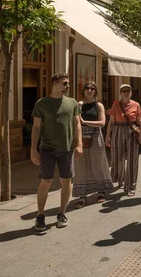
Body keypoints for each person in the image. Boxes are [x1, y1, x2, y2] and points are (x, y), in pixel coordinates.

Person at [31, 73, 82, 231]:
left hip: (66, 149)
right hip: (47, 149)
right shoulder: (42, 103)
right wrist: (33, 149)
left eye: (68, 83)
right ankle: (40, 215)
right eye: (65, 83)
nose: (68, 86)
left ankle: (62, 213)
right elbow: (36, 127)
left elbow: (77, 124)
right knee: (45, 181)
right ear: (54, 84)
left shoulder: (72, 103)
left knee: (66, 181)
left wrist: (79, 143)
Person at [73, 82, 113, 209]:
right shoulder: (79, 104)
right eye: (87, 88)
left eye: (92, 89)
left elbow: (102, 123)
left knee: (97, 164)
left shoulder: (99, 105)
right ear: (83, 91)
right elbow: (76, 122)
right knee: (80, 165)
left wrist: (85, 122)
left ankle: (101, 191)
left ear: (95, 91)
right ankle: (82, 195)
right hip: (81, 136)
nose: (89, 90)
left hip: (96, 136)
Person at [106, 84, 141, 197]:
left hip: (131, 131)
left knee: (132, 158)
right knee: (117, 157)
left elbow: (139, 120)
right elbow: (111, 122)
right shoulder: (116, 106)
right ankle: (120, 179)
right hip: (117, 130)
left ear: (131, 93)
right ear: (120, 93)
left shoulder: (136, 105)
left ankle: (131, 185)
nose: (126, 93)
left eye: (128, 91)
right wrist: (107, 136)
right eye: (123, 91)